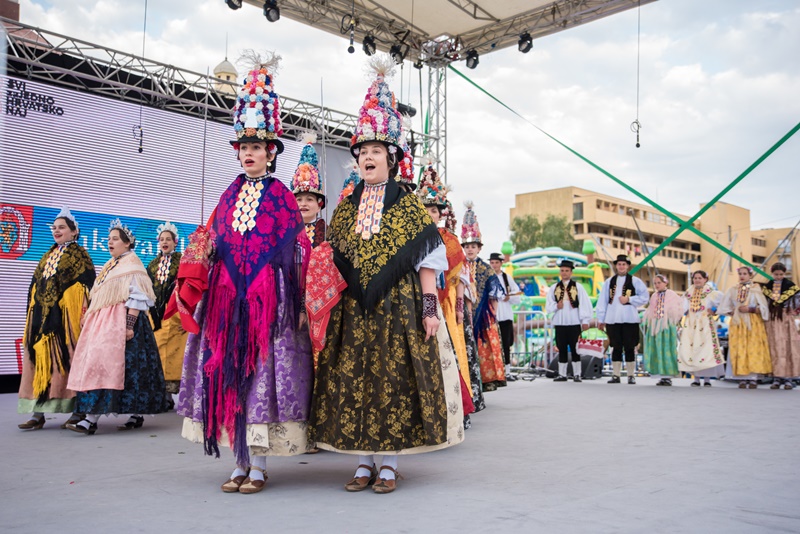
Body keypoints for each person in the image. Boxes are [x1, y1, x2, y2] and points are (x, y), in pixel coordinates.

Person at [310, 56, 463, 495]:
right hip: (354, 312)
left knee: (392, 381)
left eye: (377, 151)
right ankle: (361, 463)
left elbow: (429, 266)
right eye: (363, 152)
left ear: (392, 159)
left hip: (399, 310)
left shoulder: (410, 207)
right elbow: (333, 261)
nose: (368, 158)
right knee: (354, 379)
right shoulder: (345, 209)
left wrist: (430, 310)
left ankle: (390, 464)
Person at [175, 53, 314, 494]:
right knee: (230, 375)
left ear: (271, 152)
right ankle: (238, 459)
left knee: (261, 379)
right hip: (226, 301)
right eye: (244, 148)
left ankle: (259, 467)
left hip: (267, 305)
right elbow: (212, 240)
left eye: (257, 147)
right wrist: (196, 272)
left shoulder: (283, 198)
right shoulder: (227, 194)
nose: (249, 154)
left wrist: (288, 294)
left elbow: (298, 249)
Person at [66, 219, 169, 434]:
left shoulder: (133, 264)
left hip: (122, 323)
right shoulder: (110, 264)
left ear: (127, 243)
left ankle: (94, 418)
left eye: (114, 239)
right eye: (109, 239)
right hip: (104, 324)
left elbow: (138, 298)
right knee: (103, 365)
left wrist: (129, 325)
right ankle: (96, 415)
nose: (110, 243)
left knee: (122, 369)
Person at [17, 207, 95, 430]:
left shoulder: (80, 256)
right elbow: (35, 287)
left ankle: (77, 410)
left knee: (69, 363)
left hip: (66, 323)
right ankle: (37, 412)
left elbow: (86, 287)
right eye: (55, 228)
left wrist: (75, 316)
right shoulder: (47, 255)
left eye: (62, 227)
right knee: (37, 363)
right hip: (42, 320)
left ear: (73, 231)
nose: (57, 231)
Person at [417, 164, 477, 427]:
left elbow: (459, 278)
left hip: (445, 305)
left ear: (440, 213)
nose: (430, 214)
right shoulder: (413, 236)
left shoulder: (449, 240)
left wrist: (460, 306)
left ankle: (455, 409)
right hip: (416, 300)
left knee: (446, 353)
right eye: (426, 209)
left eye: (434, 210)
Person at [461, 201, 506, 391]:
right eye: (467, 246)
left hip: (483, 316)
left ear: (480, 248)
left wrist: (492, 317)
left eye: (473, 246)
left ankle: (485, 382)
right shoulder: (459, 266)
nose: (470, 249)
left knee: (483, 350)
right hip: (463, 314)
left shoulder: (487, 269)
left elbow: (494, 295)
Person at [146, 221, 186, 404]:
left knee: (175, 354)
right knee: (158, 351)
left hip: (175, 314)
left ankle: (174, 395)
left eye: (168, 239)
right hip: (156, 315)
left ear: (175, 242)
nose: (165, 242)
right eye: (162, 239)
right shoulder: (153, 264)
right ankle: (164, 395)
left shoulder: (182, 261)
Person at [596, 254, 649, 384]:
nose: (621, 266)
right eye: (619, 264)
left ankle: (631, 375)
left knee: (630, 347)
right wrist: (601, 319)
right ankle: (616, 375)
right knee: (615, 347)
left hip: (630, 319)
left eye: (623, 264)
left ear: (627, 266)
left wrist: (629, 299)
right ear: (616, 266)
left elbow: (645, 297)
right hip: (613, 319)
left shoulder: (635, 281)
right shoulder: (609, 282)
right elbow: (602, 301)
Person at [718, 266, 772, 389]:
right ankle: (741, 378)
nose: (742, 276)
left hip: (753, 322)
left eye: (744, 273)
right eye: (740, 273)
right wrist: (733, 311)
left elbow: (764, 307)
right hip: (738, 322)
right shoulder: (732, 289)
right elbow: (723, 306)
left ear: (750, 275)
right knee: (739, 348)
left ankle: (753, 378)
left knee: (753, 348)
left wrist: (751, 309)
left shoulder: (756, 289)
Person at [545, 260, 592, 382]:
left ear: (571, 272)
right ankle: (562, 374)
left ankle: (577, 374)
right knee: (562, 348)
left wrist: (585, 320)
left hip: (574, 322)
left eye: (567, 271)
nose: (564, 273)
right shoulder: (554, 287)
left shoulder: (578, 287)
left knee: (576, 348)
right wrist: (556, 306)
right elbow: (548, 306)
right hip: (560, 323)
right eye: (562, 270)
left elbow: (585, 304)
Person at [677, 271, 725, 387]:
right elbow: (682, 307)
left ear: (705, 279)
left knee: (706, 350)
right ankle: (697, 379)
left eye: (700, 278)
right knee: (693, 350)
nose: (697, 280)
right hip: (691, 325)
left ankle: (707, 379)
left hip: (705, 324)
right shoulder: (689, 292)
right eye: (695, 278)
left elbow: (724, 303)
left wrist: (714, 311)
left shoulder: (711, 293)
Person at [762, 262, 799, 389]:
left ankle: (788, 377)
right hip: (772, 319)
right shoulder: (767, 287)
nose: (778, 277)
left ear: (784, 273)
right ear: (772, 274)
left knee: (787, 346)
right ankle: (776, 377)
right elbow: (763, 302)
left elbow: (797, 301)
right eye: (776, 274)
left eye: (781, 274)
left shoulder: (790, 286)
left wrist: (794, 309)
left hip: (785, 319)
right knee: (774, 347)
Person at [642, 274, 683, 386]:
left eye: (659, 282)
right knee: (656, 349)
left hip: (666, 326)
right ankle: (660, 374)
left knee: (667, 349)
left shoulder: (671, 295)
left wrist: (669, 317)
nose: (657, 285)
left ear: (665, 283)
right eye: (655, 283)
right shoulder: (654, 296)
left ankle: (668, 375)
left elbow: (678, 308)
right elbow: (650, 310)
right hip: (655, 326)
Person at [489, 252, 521, 381]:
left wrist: (509, 297)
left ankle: (507, 371)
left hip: (505, 316)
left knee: (506, 344)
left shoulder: (507, 278)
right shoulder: (487, 278)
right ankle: (494, 372)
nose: (494, 265)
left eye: (497, 262)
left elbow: (517, 295)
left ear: (501, 263)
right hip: (492, 316)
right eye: (492, 262)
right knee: (493, 344)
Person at [292, 132, 327, 248]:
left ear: (319, 205)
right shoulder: (284, 232)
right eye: (299, 199)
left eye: (310, 199)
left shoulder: (328, 234)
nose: (303, 204)